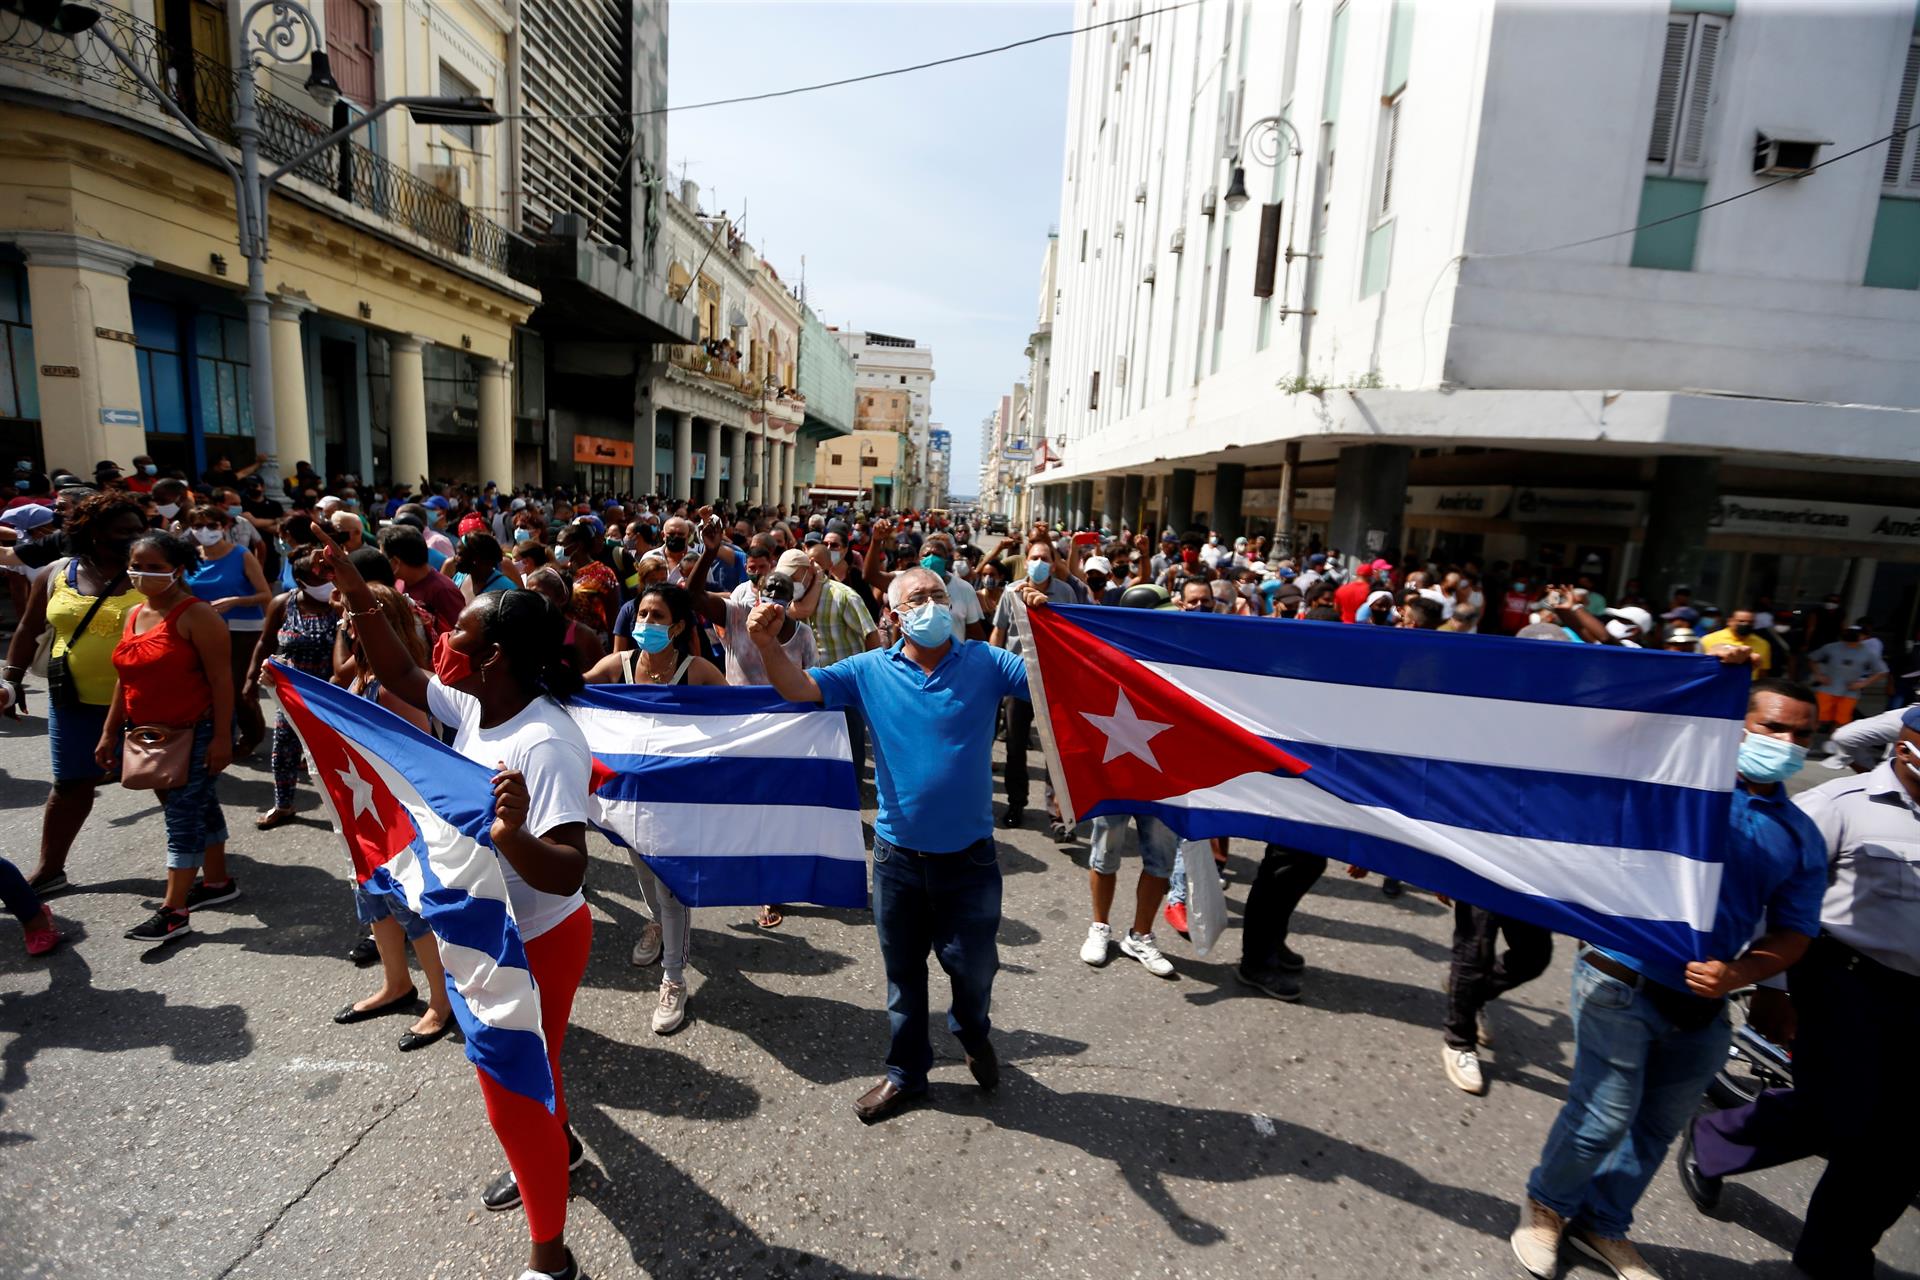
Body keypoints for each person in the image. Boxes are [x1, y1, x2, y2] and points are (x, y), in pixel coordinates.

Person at [314, 525, 592, 1280]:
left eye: (458, 632)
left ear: (491, 654)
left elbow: (568, 871)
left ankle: (550, 1259)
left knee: (510, 1096)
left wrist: (512, 836)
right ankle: (561, 1149)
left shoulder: (545, 741)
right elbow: (401, 672)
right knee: (536, 1071)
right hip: (485, 928)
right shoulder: (478, 707)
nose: (445, 640)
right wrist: (355, 592)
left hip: (536, 940)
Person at [1511, 679, 1827, 1280]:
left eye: (1802, 735)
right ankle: (1546, 1206)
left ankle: (1603, 1225)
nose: (1787, 743)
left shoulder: (1800, 836)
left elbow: (1795, 931)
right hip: (1620, 977)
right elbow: (1605, 739)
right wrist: (1702, 682)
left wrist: (1743, 972)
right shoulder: (1676, 784)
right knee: (1602, 1116)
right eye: (1773, 727)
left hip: (1705, 1005)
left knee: (1656, 1128)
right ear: (1738, 725)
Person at [750, 566, 1044, 1123]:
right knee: (904, 979)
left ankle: (972, 1031)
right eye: (917, 598)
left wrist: (1041, 623)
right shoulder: (868, 670)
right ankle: (907, 1075)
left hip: (970, 860)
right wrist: (766, 645)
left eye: (938, 595)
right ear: (893, 615)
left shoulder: (986, 662)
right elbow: (800, 688)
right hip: (898, 860)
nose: (931, 604)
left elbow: (1051, 686)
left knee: (974, 970)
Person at [1678, 704, 1920, 1279]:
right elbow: (1780, 895)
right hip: (1848, 979)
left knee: (1905, 1139)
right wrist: (1770, 985)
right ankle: (1718, 1140)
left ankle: (1832, 1258)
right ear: (1906, 744)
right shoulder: (1841, 805)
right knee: (1841, 1114)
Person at [583, 584, 723, 1035]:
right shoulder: (618, 665)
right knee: (643, 873)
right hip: (629, 800)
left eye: (657, 616)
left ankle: (674, 978)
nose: (645, 622)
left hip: (678, 803)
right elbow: (572, 693)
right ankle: (658, 925)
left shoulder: (697, 671)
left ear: (677, 626)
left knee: (670, 887)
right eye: (642, 613)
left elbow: (739, 716)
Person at [3, 492, 149, 893]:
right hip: (72, 700)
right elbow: (28, 629)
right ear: (93, 532)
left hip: (145, 701)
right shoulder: (55, 573)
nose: (134, 538)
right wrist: (11, 681)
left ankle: (198, 866)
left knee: (165, 782)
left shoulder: (152, 572)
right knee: (70, 784)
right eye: (123, 531)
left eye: (139, 530)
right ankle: (50, 869)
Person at [100, 530, 236, 944]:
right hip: (149, 735)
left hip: (195, 732)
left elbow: (222, 681)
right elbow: (124, 680)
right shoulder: (133, 613)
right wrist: (109, 732)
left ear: (177, 570)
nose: (143, 574)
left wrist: (222, 738)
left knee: (182, 817)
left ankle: (174, 911)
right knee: (199, 805)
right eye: (136, 566)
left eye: (154, 567)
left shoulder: (198, 616)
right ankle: (216, 882)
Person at [990, 537, 1077, 836]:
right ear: (1025, 562)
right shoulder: (1010, 592)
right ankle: (1016, 803)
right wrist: (994, 672)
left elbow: (1073, 634)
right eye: (1034, 558)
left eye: (1045, 558)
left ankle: (1059, 814)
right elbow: (999, 632)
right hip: (1017, 680)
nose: (1039, 563)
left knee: (1057, 751)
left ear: (1053, 564)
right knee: (1015, 746)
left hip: (1055, 682)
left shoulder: (1065, 592)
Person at [247, 550, 340, 830]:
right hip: (291, 693)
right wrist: (250, 679)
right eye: (319, 578)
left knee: (333, 755)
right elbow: (265, 643)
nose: (327, 582)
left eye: (329, 575)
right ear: (301, 581)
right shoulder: (282, 604)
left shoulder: (340, 604)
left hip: (333, 693)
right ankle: (283, 805)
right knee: (284, 751)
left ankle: (345, 812)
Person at [183, 502, 272, 756]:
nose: (205, 531)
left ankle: (252, 734)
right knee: (205, 686)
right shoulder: (190, 557)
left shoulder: (241, 554)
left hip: (242, 630)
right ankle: (216, 734)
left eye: (211, 525)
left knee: (237, 687)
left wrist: (236, 601)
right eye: (198, 526)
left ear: (224, 526)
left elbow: (265, 595)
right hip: (203, 630)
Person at [1807, 626, 1887, 746]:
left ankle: (1832, 745)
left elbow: (1882, 671)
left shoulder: (1868, 652)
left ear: (1862, 636)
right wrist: (1818, 675)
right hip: (1827, 689)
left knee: (1841, 721)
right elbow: (1812, 658)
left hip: (1849, 692)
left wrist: (1864, 683)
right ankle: (1807, 741)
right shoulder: (1831, 647)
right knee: (1818, 718)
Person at [1699, 609, 1771, 679]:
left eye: (1750, 622)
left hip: (1749, 685)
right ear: (1730, 621)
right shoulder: (1708, 640)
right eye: (1741, 621)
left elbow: (1763, 672)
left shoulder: (1763, 644)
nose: (1746, 624)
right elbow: (1699, 667)